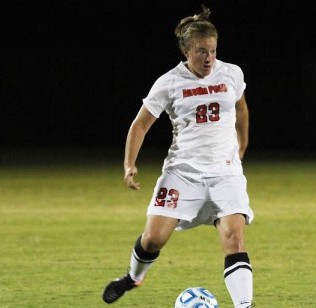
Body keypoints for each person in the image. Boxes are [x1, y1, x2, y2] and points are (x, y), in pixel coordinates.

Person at [102, 5, 254, 307]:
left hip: (225, 173)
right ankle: (133, 278)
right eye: (201, 51)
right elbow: (140, 124)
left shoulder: (232, 73)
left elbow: (241, 108)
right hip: (182, 173)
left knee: (234, 239)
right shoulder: (169, 82)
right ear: (186, 51)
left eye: (212, 50)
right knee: (153, 239)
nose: (208, 58)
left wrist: (242, 143)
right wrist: (129, 164)